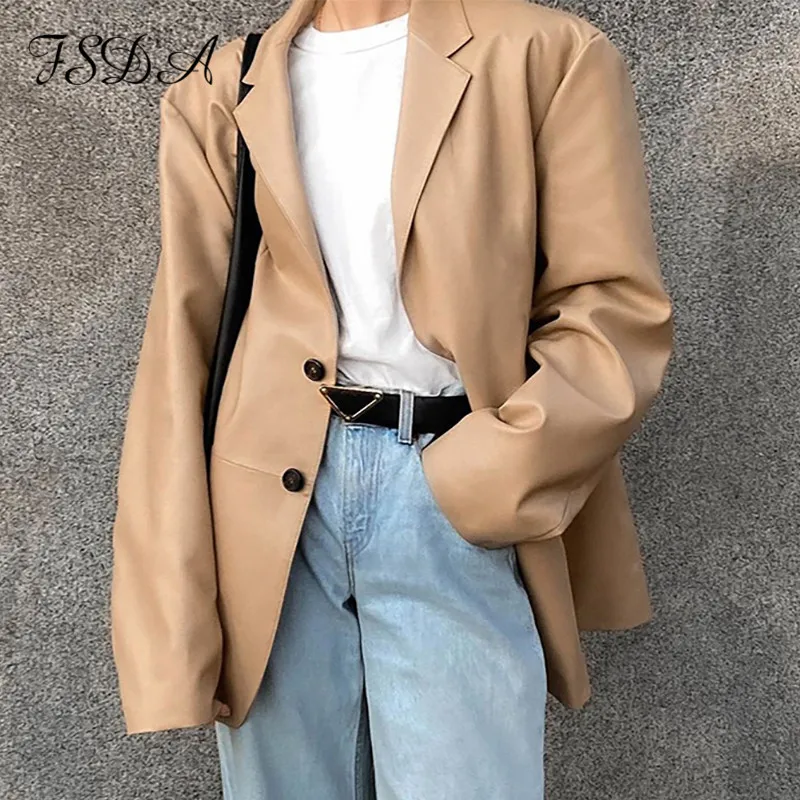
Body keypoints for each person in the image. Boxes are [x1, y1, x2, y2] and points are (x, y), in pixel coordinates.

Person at [110, 0, 674, 797]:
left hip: (449, 487)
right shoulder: (223, 85)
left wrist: (491, 470)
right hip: (270, 514)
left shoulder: (544, 53)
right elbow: (183, 341)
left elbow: (612, 309)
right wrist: (168, 588)